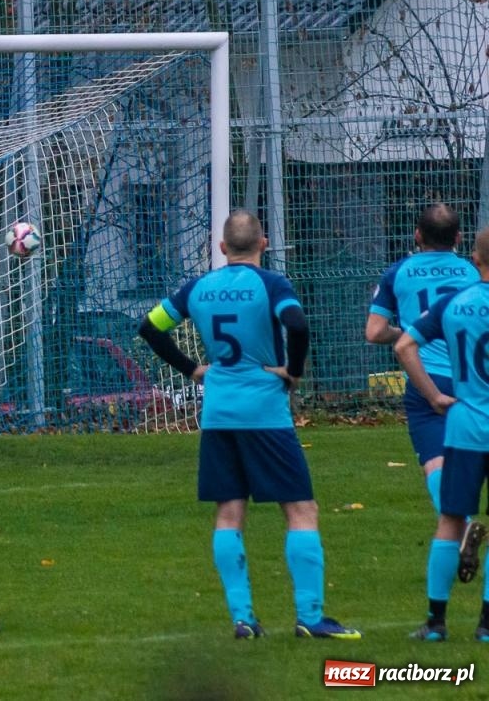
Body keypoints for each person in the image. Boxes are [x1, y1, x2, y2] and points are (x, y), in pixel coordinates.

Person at [138, 209, 360, 641]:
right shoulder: (272, 283)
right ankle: (311, 618)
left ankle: (243, 619)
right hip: (265, 413)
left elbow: (149, 327)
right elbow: (296, 322)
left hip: (219, 412)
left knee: (229, 512)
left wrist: (191, 369)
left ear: (222, 248)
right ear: (263, 244)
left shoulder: (199, 288)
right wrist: (293, 371)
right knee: (300, 510)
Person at [364, 203, 484, 579]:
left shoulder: (397, 272)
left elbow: (374, 333)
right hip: (470, 379)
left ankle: (460, 525)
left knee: (434, 460)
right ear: (459, 239)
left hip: (425, 377)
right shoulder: (471, 271)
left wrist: (410, 333)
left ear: (417, 236)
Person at [394, 225, 489, 642]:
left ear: (475, 259)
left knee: (450, 519)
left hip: (465, 425)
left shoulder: (455, 303)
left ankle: (435, 624)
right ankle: (486, 626)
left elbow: (403, 346)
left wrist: (432, 395)